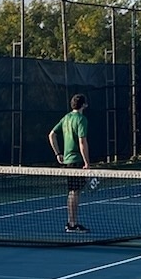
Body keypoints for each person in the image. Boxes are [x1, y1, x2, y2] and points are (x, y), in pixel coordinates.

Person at [48, 93, 92, 233]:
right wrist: (87, 163)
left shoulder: (66, 118)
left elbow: (51, 135)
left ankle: (72, 222)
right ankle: (72, 224)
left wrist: (58, 154)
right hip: (76, 161)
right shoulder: (81, 119)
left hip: (68, 161)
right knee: (74, 192)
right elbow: (82, 142)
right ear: (83, 105)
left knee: (73, 192)